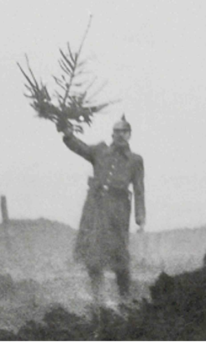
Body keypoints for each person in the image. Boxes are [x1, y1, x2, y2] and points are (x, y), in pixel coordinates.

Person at [61, 115, 146, 303]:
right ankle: (98, 299)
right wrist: (68, 135)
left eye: (124, 132)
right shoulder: (100, 151)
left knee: (120, 255)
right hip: (96, 208)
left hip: (118, 210)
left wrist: (140, 218)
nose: (120, 135)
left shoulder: (135, 160)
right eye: (117, 132)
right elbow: (80, 147)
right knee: (93, 252)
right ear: (112, 134)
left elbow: (139, 189)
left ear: (130, 135)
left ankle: (125, 299)